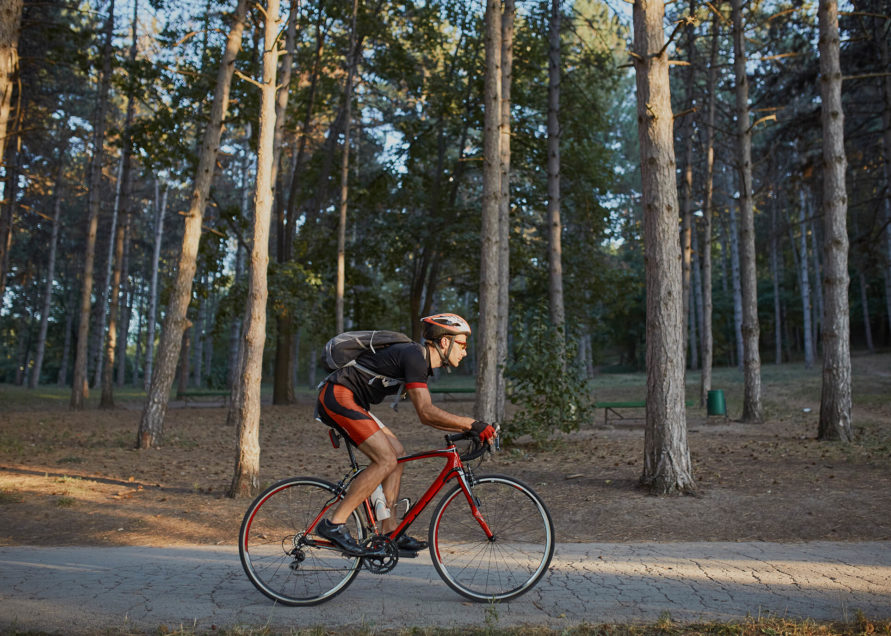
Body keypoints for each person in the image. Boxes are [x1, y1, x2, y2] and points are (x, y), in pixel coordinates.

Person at [315, 313, 498, 556]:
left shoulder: (418, 361)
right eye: (462, 345)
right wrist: (472, 424)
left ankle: (390, 532)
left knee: (397, 454)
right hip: (338, 396)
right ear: (445, 342)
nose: (464, 352)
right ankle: (334, 524)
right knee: (386, 459)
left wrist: (469, 428)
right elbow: (426, 413)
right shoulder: (415, 356)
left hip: (352, 401)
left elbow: (428, 415)